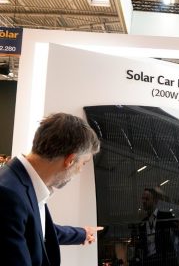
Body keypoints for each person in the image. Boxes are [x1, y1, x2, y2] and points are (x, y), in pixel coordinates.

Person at [0, 112, 103, 266]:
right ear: (70, 160)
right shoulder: (9, 195)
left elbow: (36, 230)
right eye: (83, 163)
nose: (80, 171)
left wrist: (81, 234)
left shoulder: (21, 182)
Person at [135, 188, 178, 266]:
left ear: (155, 201)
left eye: (147, 199)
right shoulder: (142, 223)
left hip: (165, 261)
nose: (144, 201)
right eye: (143, 199)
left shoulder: (166, 216)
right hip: (149, 262)